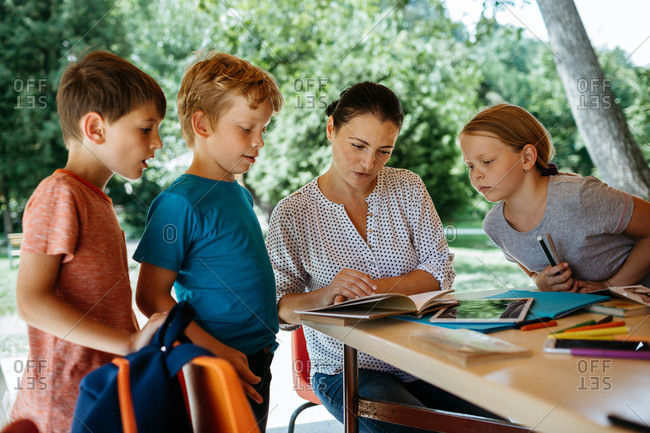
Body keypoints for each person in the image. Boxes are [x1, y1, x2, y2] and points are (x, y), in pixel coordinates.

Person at [266, 81, 498, 432]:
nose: (368, 162)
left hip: (424, 358)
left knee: (499, 421)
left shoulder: (407, 186)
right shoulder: (293, 213)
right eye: (357, 145)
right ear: (331, 128)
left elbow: (439, 272)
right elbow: (279, 306)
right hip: (346, 370)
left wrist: (370, 290)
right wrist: (323, 296)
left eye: (384, 151)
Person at [12, 50, 168, 432]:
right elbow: (31, 301)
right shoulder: (59, 194)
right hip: (64, 407)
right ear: (96, 129)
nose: (158, 143)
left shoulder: (96, 201)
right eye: (146, 129)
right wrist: (128, 344)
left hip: (103, 396)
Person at [133, 51, 282, 431]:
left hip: (255, 358)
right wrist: (216, 349)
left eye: (263, 129)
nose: (259, 141)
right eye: (247, 129)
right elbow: (151, 297)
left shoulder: (240, 193)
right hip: (213, 361)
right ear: (202, 124)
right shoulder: (177, 203)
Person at [459, 103, 650, 292]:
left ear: (526, 158)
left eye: (486, 161)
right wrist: (539, 280)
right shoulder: (495, 226)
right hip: (592, 315)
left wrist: (610, 286)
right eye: (470, 166)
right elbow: (531, 270)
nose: (476, 175)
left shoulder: (580, 195)